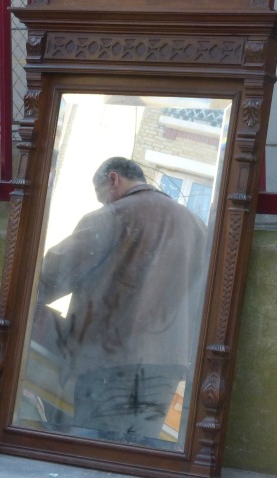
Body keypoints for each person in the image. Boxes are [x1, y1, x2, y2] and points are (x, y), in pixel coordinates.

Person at [27, 157, 209, 445]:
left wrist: (25, 299)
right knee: (140, 452)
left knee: (94, 447)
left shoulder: (113, 215)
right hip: (167, 364)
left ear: (113, 180)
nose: (103, 203)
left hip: (110, 357)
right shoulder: (197, 227)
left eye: (101, 196)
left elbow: (54, 273)